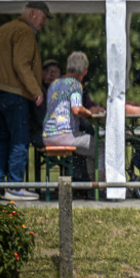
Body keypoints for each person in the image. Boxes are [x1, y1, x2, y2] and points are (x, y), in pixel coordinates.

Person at [0, 1, 51, 200]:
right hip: (15, 93)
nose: (43, 23)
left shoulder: (2, 29)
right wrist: (36, 91)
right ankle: (15, 186)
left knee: (3, 139)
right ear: (33, 14)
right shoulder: (24, 31)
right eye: (43, 18)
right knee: (20, 140)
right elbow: (21, 64)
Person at [42, 51, 104, 185]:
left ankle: (92, 185)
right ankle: (100, 188)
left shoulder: (55, 83)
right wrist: (90, 112)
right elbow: (77, 109)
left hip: (47, 136)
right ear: (84, 71)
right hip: (64, 135)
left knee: (91, 147)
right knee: (100, 147)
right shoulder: (75, 85)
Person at [29, 59, 62, 150]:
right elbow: (42, 120)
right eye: (48, 71)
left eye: (55, 72)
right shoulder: (39, 92)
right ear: (42, 73)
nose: (51, 75)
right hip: (39, 134)